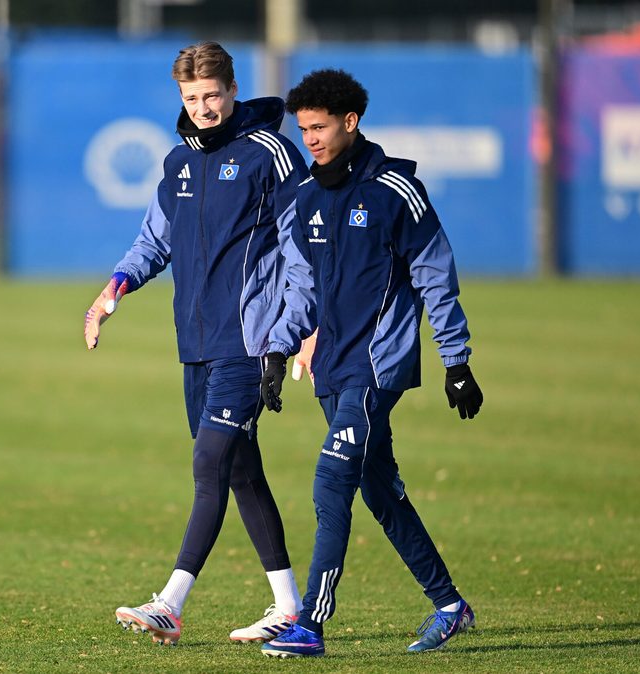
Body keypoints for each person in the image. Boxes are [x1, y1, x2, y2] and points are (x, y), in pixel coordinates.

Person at [83, 41, 315, 646]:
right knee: (240, 471)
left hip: (249, 340)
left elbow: (302, 250)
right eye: (192, 98)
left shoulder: (273, 155)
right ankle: (289, 606)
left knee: (210, 462)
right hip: (195, 342)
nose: (204, 107)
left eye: (213, 95)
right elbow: (153, 241)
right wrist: (114, 288)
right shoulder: (178, 161)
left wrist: (306, 326)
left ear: (234, 90)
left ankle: (171, 603)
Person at [258, 68, 484, 658]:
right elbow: (302, 288)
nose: (309, 138)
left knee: (331, 481)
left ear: (350, 122)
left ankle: (310, 623)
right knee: (382, 493)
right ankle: (451, 606)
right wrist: (278, 351)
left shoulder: (395, 191)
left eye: (319, 127)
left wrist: (455, 362)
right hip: (332, 372)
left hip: (376, 368)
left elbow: (436, 277)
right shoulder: (305, 199)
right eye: (303, 128)